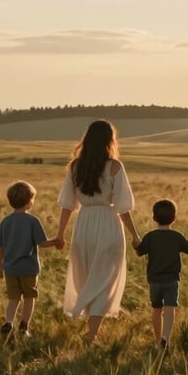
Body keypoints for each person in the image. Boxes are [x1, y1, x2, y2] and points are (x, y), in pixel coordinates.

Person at [52, 120, 141, 343]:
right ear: (109, 140)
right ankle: (92, 333)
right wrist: (134, 235)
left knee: (88, 275)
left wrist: (60, 234)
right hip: (108, 224)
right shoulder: (115, 167)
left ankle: (91, 327)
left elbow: (67, 205)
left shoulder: (75, 167)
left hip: (84, 226)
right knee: (105, 278)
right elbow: (123, 207)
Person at [0, 180, 62, 338]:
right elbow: (42, 243)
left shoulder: (5, 222)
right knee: (29, 297)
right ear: (29, 202)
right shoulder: (32, 221)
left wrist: (0, 267)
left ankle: (9, 322)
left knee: (13, 298)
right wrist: (56, 241)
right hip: (28, 268)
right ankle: (24, 328)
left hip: (10, 269)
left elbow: (0, 248)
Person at [133, 198, 188, 348]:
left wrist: (135, 244)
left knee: (156, 309)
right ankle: (166, 338)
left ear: (154, 218)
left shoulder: (150, 237)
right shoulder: (177, 236)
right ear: (174, 218)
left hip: (154, 280)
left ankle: (157, 339)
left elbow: (139, 252)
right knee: (169, 309)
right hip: (172, 280)